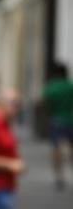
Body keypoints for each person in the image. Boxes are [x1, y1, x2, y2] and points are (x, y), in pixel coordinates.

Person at [42, 62, 73, 190]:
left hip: (56, 120)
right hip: (71, 120)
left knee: (56, 148)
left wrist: (50, 114)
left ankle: (59, 176)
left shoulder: (50, 87)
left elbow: (46, 104)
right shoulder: (70, 87)